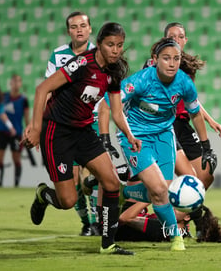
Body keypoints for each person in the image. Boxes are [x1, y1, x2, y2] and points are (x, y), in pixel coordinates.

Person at [24, 22, 141, 255]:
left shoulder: (114, 71)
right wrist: (36, 128)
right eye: (110, 45)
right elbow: (42, 89)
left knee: (111, 183)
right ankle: (43, 194)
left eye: (119, 45)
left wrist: (130, 135)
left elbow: (117, 111)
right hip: (56, 132)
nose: (115, 50)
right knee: (67, 200)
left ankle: (108, 244)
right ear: (98, 44)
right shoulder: (81, 64)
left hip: (84, 132)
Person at [116, 37, 216, 251]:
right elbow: (112, 103)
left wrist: (206, 146)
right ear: (155, 60)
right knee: (160, 190)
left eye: (176, 59)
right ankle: (175, 238)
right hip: (136, 137)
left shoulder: (184, 83)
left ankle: (120, 191)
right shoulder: (141, 80)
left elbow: (196, 113)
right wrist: (110, 134)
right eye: (166, 58)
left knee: (162, 191)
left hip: (164, 136)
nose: (172, 63)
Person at [45, 11, 99, 236]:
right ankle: (86, 223)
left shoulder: (99, 55)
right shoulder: (58, 55)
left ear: (89, 29)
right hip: (64, 123)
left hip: (92, 121)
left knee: (95, 175)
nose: (79, 29)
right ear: (69, 31)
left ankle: (97, 221)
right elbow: (48, 89)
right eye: (74, 26)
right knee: (75, 176)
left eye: (83, 25)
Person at [116, 202, 221, 243]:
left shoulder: (163, 228)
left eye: (177, 207)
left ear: (187, 217)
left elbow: (125, 218)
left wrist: (150, 195)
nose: (172, 207)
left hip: (114, 226)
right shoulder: (183, 230)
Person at [0, 74, 30, 187]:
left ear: (20, 84)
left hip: (17, 134)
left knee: (16, 160)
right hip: (2, 131)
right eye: (14, 81)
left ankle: (16, 184)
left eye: (18, 81)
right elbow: (0, 113)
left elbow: (27, 119)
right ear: (10, 83)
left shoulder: (24, 100)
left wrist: (27, 133)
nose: (16, 83)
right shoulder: (3, 96)